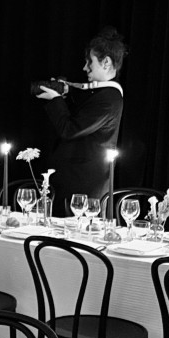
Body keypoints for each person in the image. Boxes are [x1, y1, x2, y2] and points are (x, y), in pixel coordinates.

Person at [36, 26, 126, 213]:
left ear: (106, 62)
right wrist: (65, 93)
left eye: (90, 62)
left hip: (85, 186)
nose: (85, 68)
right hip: (75, 180)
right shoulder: (101, 94)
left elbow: (70, 129)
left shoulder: (109, 99)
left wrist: (55, 99)